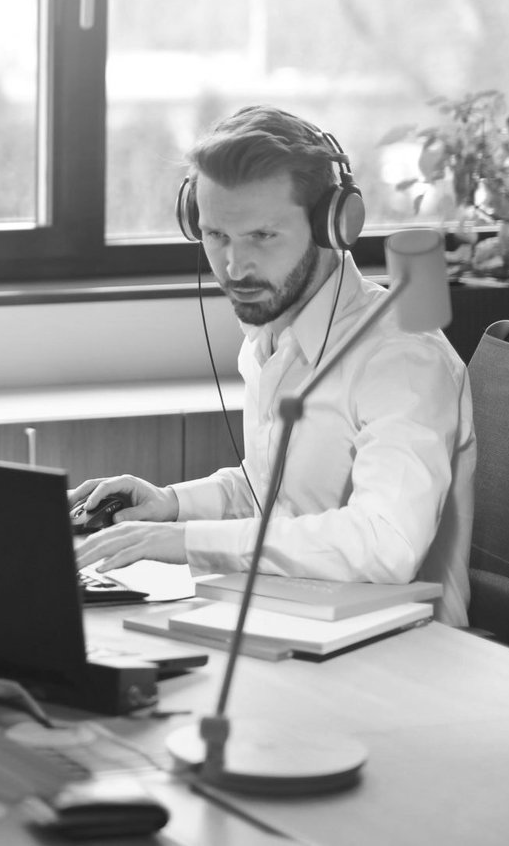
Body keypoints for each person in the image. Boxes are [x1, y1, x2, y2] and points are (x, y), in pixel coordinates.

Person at [72, 105, 475, 625]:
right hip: (293, 618)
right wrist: (170, 504)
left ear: (333, 225)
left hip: (403, 653)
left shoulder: (402, 357)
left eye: (262, 236)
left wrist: (184, 541)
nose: (234, 268)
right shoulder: (271, 335)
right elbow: (273, 495)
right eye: (216, 236)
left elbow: (386, 544)